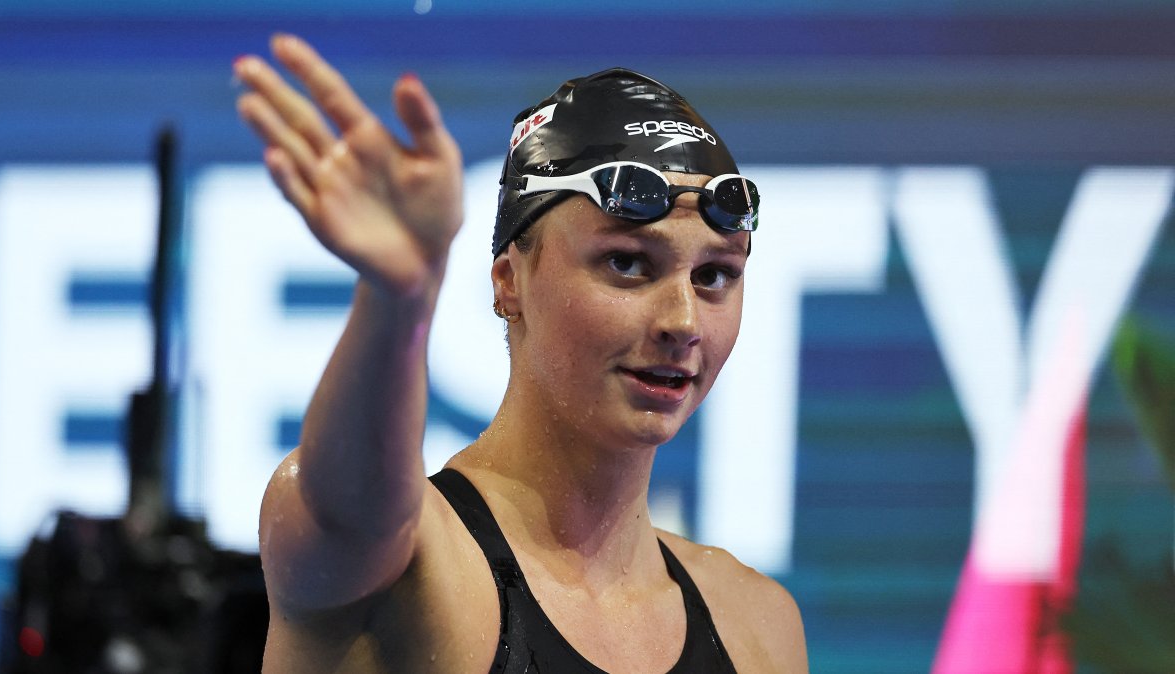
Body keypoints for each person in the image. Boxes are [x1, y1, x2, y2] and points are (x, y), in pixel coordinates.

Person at [233, 32, 808, 673]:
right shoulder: (415, 568)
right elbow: (343, 511)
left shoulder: (757, 625)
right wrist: (398, 295)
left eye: (714, 276)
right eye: (627, 263)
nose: (683, 321)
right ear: (510, 281)